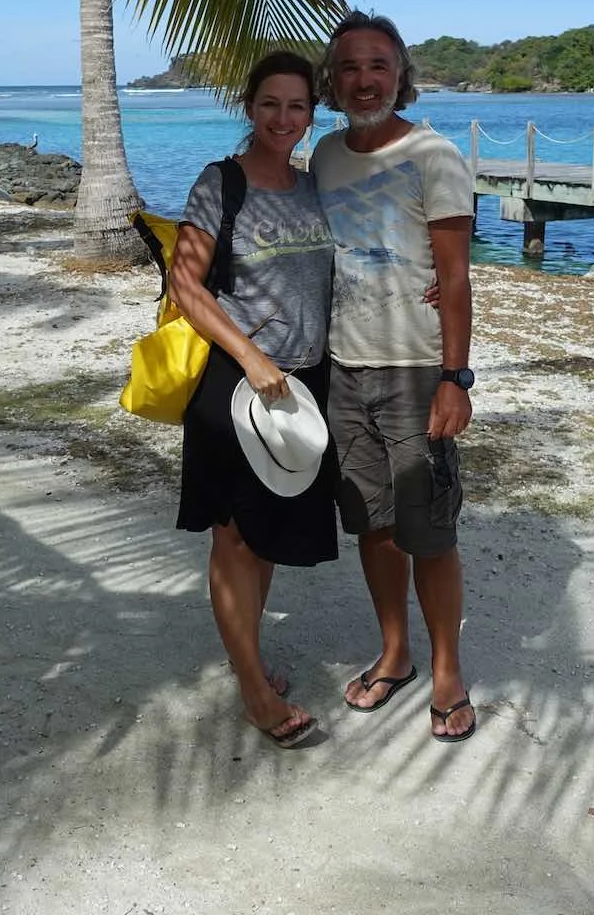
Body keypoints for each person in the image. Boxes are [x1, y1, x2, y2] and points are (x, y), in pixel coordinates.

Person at [311, 13, 479, 743]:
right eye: (349, 66)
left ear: (400, 74)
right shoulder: (323, 155)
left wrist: (456, 378)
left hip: (416, 370)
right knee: (373, 526)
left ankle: (447, 671)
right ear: (334, 80)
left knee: (430, 531)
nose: (364, 78)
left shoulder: (434, 155)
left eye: (378, 64)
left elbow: (455, 277)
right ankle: (396, 652)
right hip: (344, 366)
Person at [169, 50, 339, 749]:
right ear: (249, 107)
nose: (284, 118)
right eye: (270, 104)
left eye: (297, 106)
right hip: (237, 383)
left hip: (304, 384)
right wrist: (249, 355)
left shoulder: (310, 188)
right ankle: (253, 690)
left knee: (264, 539)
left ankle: (252, 665)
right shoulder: (221, 183)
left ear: (311, 113)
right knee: (235, 536)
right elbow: (187, 286)